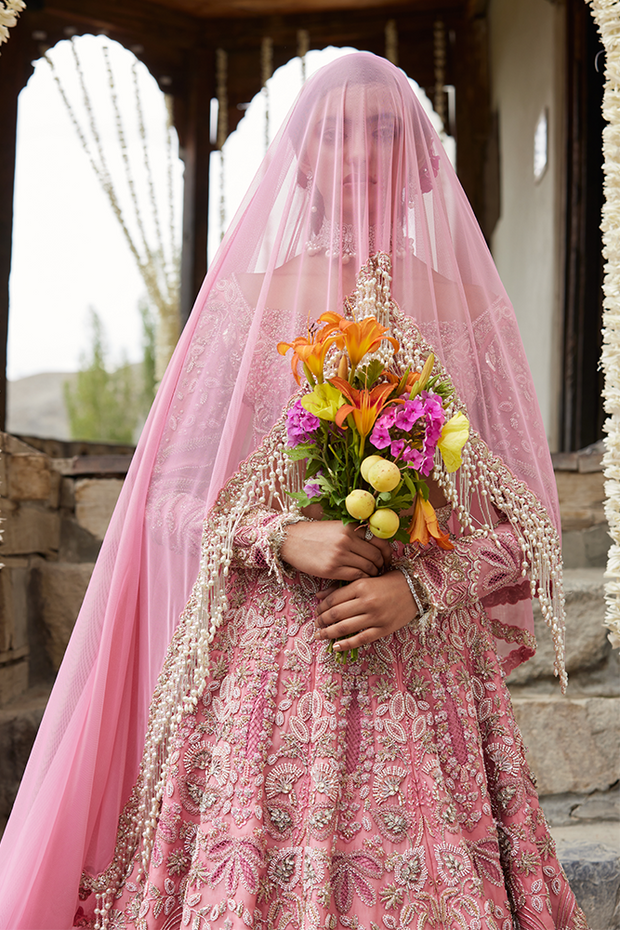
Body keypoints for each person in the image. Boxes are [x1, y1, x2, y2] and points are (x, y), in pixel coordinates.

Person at [0, 52, 589, 930]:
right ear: (302, 159)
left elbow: (531, 530)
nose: (362, 153)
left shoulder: (470, 310)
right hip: (268, 676)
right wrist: (280, 535)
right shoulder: (246, 302)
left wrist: (421, 587)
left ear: (427, 159)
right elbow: (163, 500)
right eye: (338, 132)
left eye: (386, 130)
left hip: (423, 677)